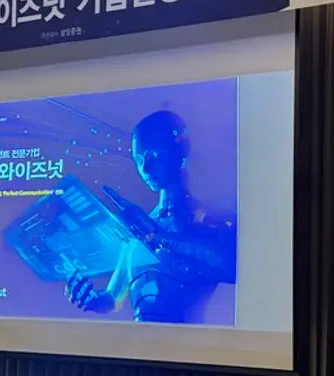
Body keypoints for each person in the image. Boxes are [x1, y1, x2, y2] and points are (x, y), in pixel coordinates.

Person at [64, 110, 237, 324]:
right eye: (138, 160)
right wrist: (91, 299)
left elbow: (233, 268)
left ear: (180, 150)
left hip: (193, 343)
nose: (145, 168)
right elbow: (112, 298)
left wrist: (158, 237)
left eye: (154, 156)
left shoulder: (216, 221)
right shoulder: (138, 230)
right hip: (139, 342)